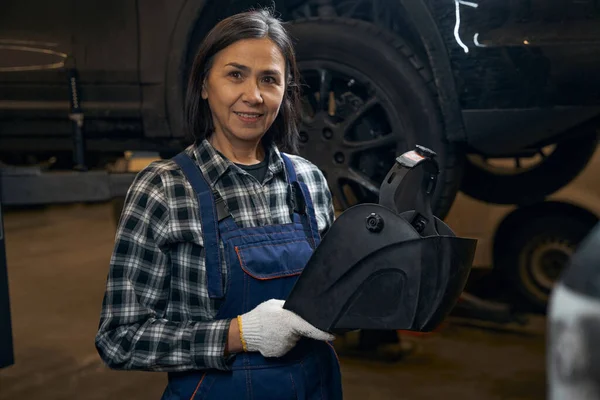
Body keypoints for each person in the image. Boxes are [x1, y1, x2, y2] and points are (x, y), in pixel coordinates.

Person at [95, 8, 343, 400]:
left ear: (285, 89)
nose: (254, 96)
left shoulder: (309, 181)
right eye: (235, 75)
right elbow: (120, 339)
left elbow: (333, 302)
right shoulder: (164, 189)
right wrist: (238, 335)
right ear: (205, 85)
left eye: (269, 79)